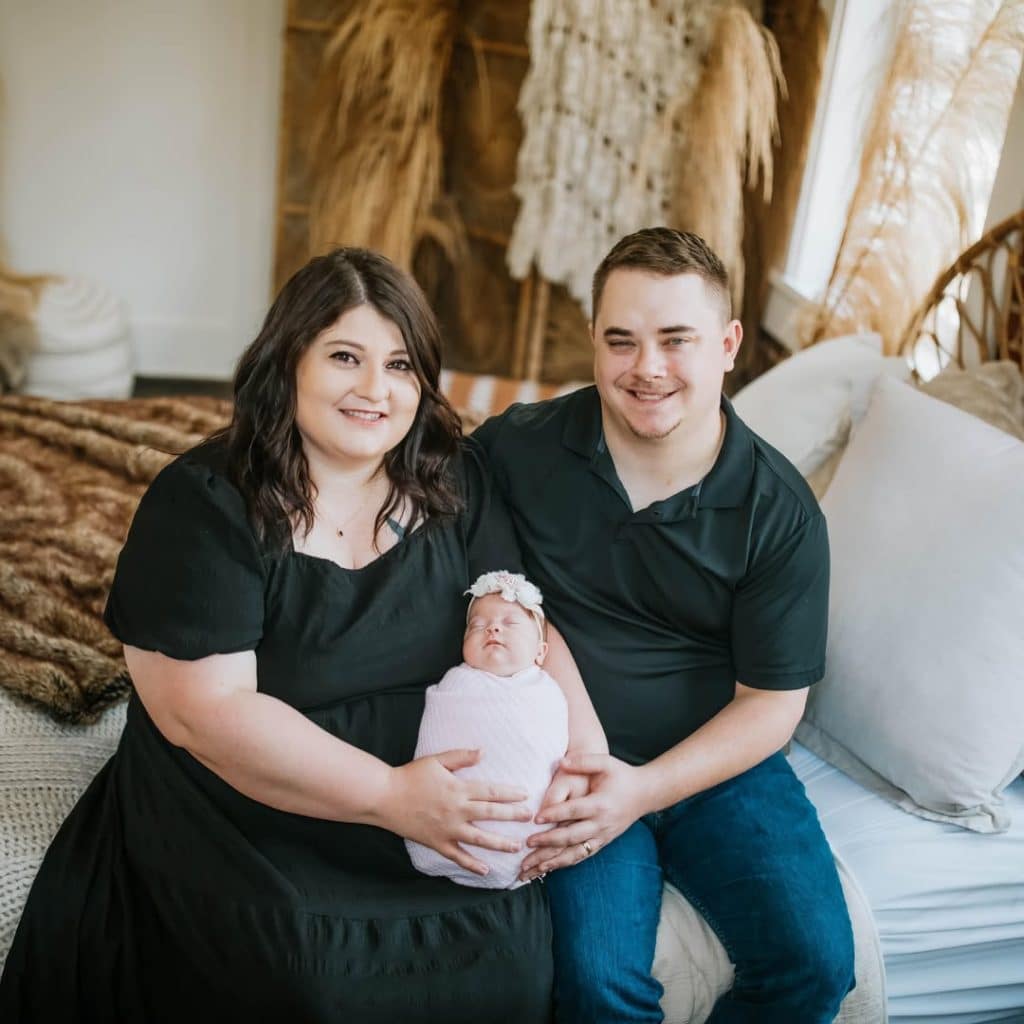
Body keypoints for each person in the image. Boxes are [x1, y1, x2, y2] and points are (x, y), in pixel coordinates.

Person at [0, 248, 604, 1023]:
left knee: (514, 966)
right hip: (253, 809)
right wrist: (390, 796)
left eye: (400, 365)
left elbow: (524, 621)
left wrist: (583, 758)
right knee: (311, 983)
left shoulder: (456, 478)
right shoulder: (204, 503)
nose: (375, 390)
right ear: (288, 361)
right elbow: (204, 714)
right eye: (345, 357)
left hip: (431, 809)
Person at [474, 227, 856, 1023]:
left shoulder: (779, 512)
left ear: (728, 345)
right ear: (593, 341)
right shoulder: (520, 448)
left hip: (720, 766)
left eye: (676, 340)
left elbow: (772, 705)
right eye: (622, 340)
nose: (647, 367)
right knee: (597, 981)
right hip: (572, 758)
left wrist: (644, 790)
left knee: (817, 966)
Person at [407, 570, 571, 890]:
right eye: (477, 625)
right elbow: (435, 742)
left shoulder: (547, 693)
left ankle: (515, 846)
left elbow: (552, 750)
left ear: (540, 652)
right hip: (441, 812)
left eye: (510, 623)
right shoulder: (455, 686)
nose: (492, 628)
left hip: (529, 834)